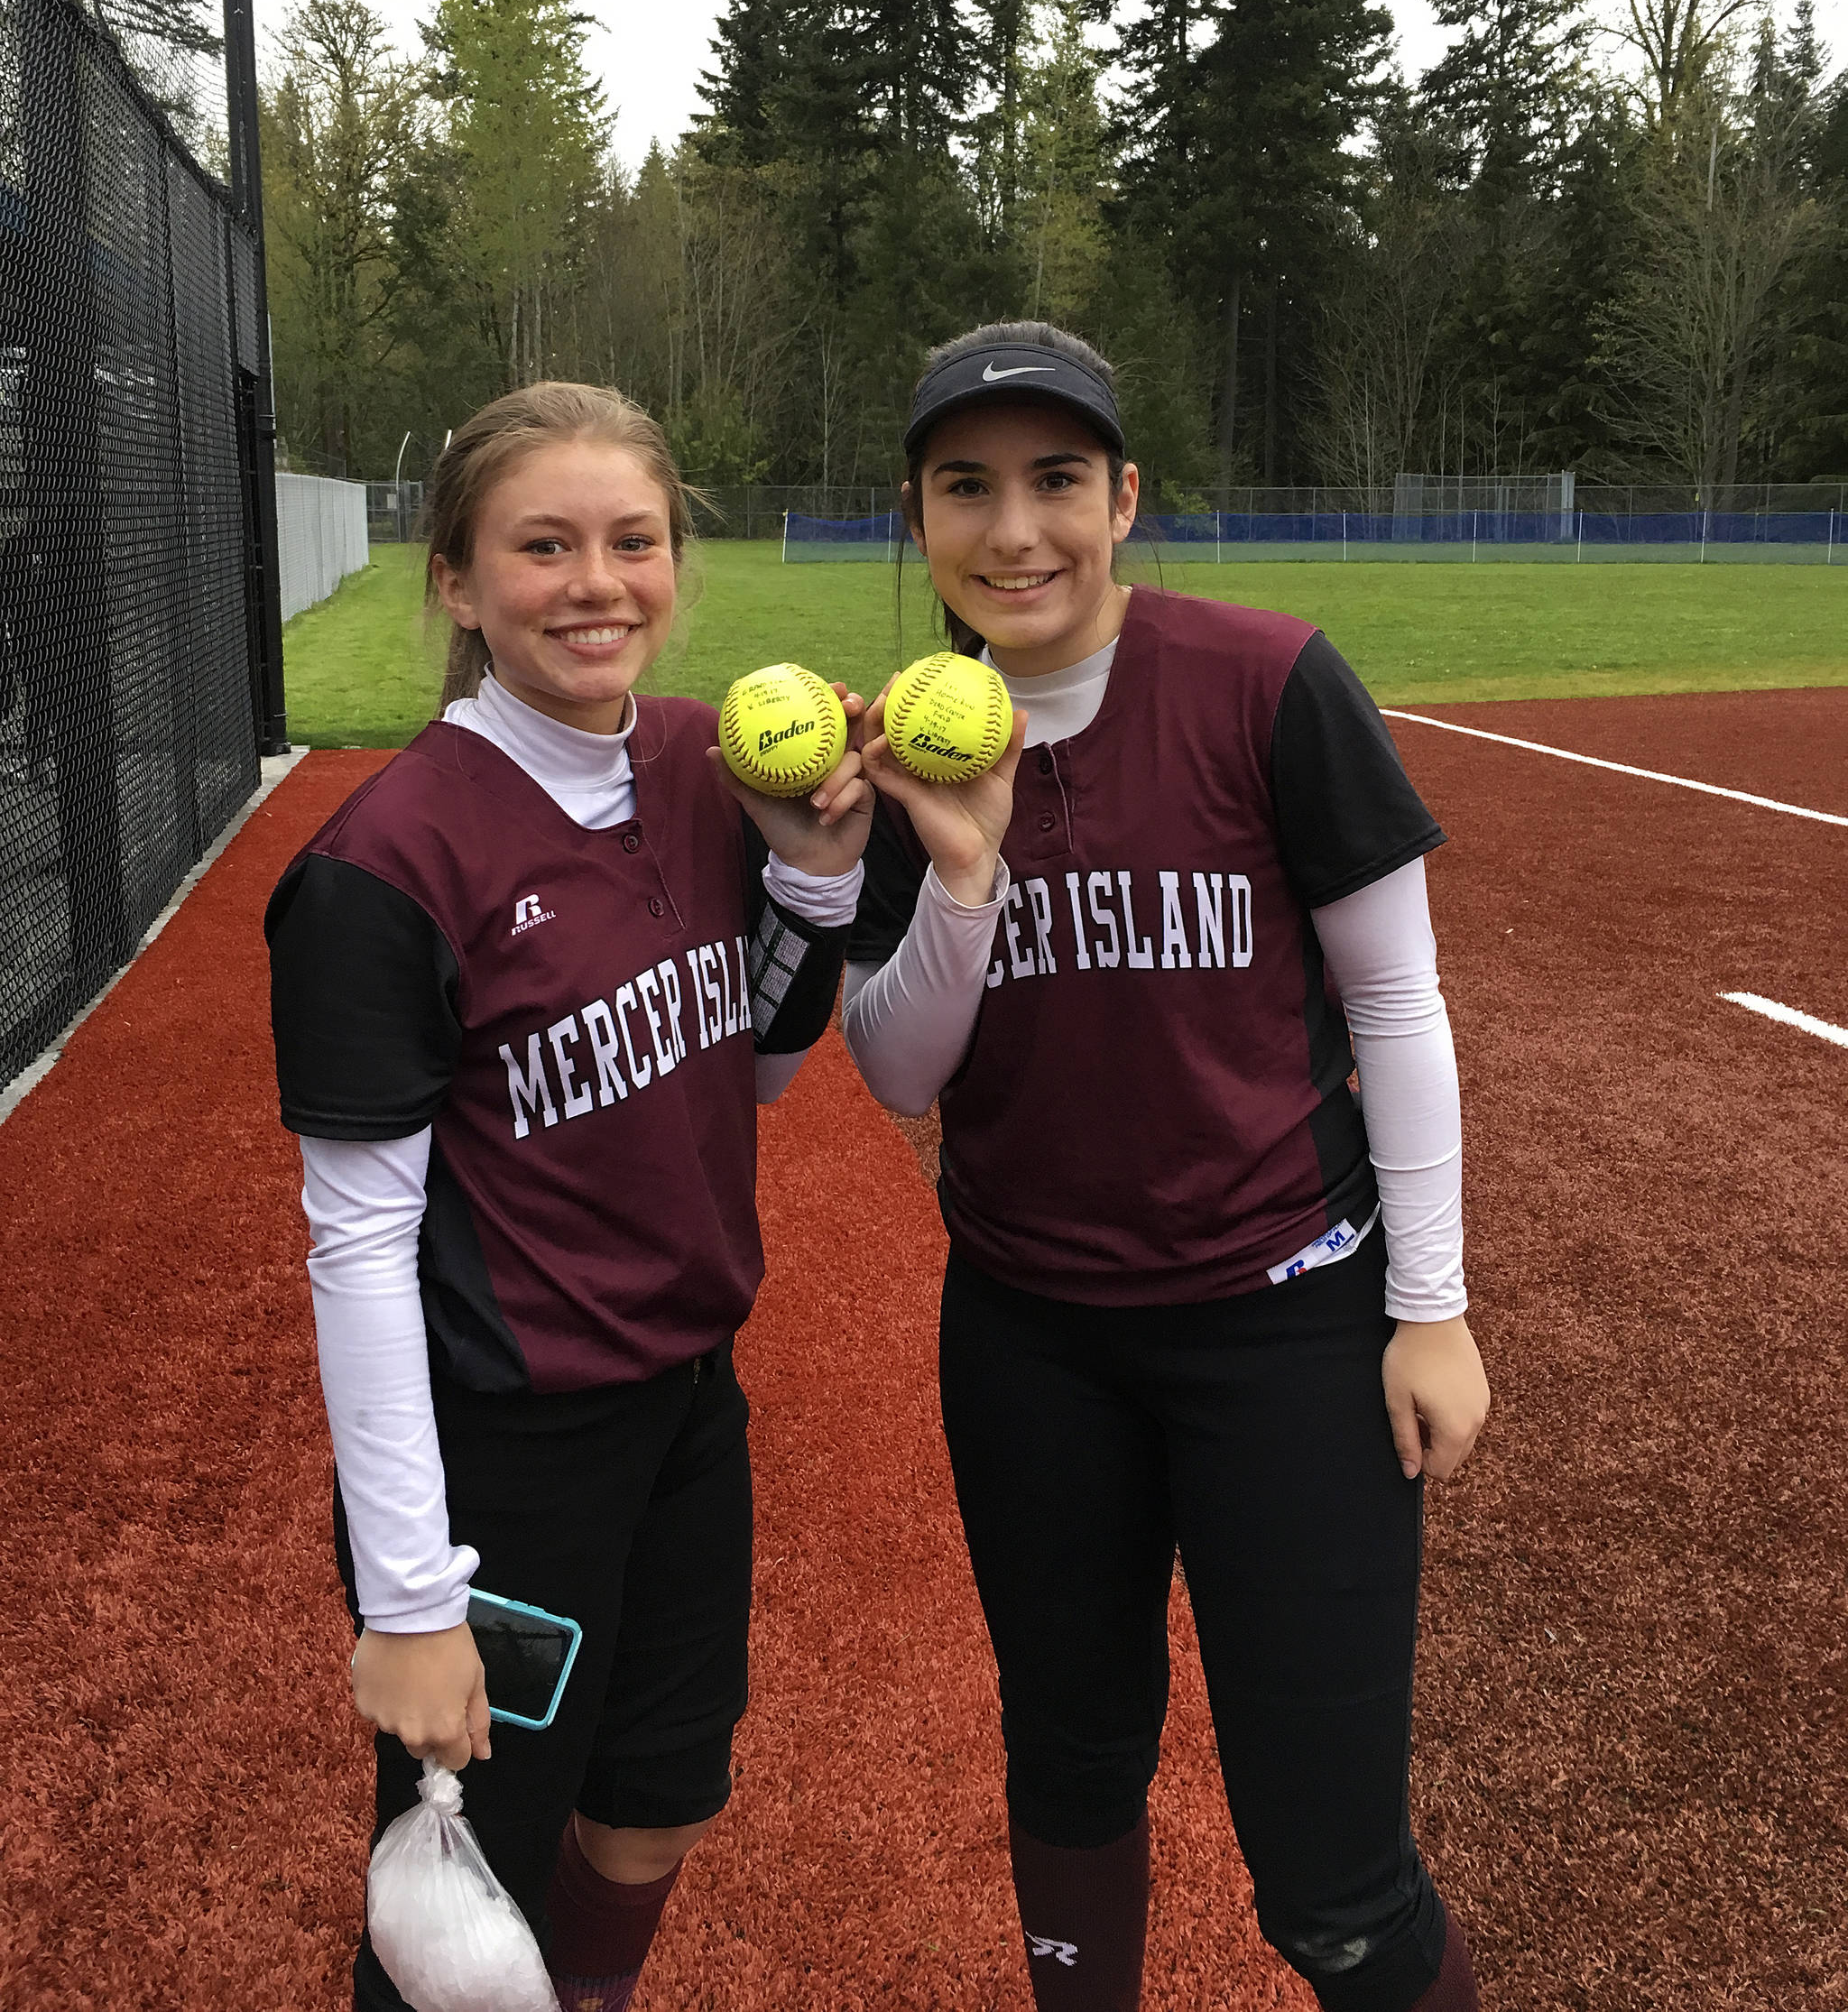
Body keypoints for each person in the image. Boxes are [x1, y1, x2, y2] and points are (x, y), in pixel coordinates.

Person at [844, 323, 1490, 2012]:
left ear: (1124, 498)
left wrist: (1430, 1308)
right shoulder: (902, 752)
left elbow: (1397, 1001)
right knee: (1066, 1767)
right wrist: (963, 869)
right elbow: (899, 1070)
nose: (1015, 532)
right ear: (916, 519)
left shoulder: (1265, 682)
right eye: (965, 489)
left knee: (1334, 1884)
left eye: (1057, 481)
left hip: (1288, 1331)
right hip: (1032, 1338)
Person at [266, 382, 871, 2012]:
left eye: (634, 541)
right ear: (458, 582)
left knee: (664, 1791)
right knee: (464, 1889)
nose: (597, 582)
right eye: (543, 545)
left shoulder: (694, 756)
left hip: (686, 1404)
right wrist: (407, 1600)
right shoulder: (385, 865)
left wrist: (816, 878)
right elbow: (360, 1239)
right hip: (505, 1453)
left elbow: (746, 1058)